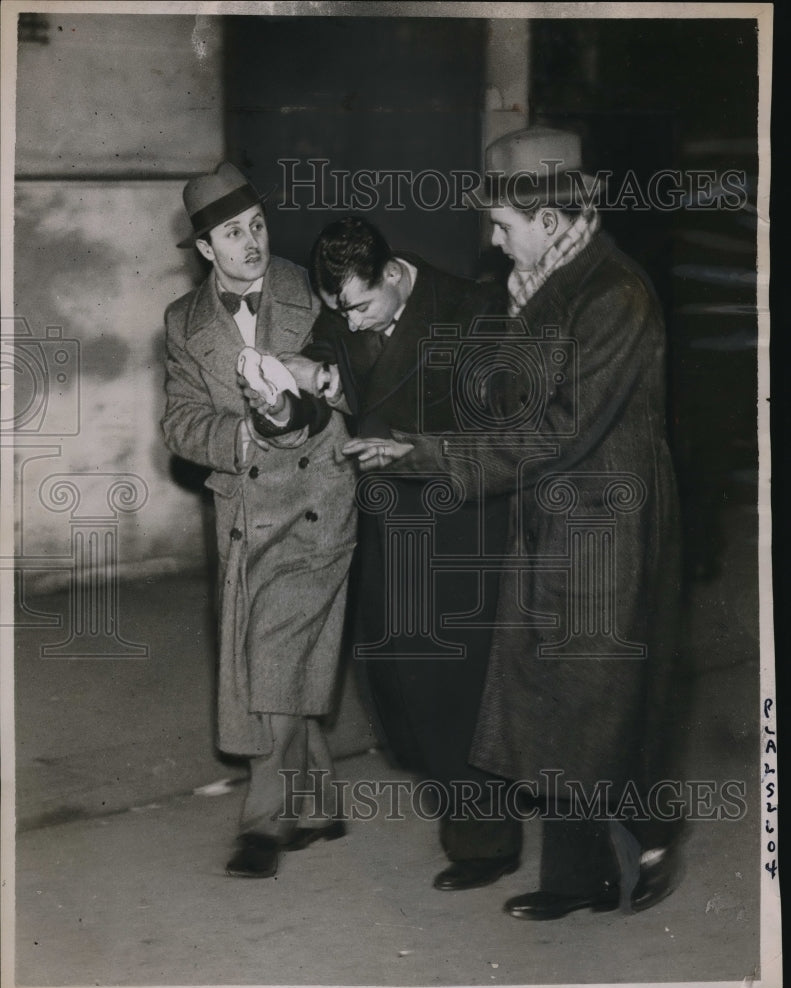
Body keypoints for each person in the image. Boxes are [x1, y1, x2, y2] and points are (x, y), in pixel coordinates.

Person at [348, 126, 685, 920]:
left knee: (596, 696)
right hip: (554, 513)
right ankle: (577, 880)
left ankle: (649, 841)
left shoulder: (614, 296)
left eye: (502, 224)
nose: (493, 241)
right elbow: (511, 409)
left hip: (608, 521)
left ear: (548, 214)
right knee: (553, 692)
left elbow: (556, 429)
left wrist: (423, 454)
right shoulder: (537, 284)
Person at [283, 216, 523, 890]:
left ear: (393, 274)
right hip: (386, 526)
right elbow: (331, 368)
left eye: (360, 306)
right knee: (398, 681)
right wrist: (302, 382)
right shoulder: (343, 314)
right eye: (339, 310)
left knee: (455, 689)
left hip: (458, 528)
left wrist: (411, 448)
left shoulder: (472, 312)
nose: (351, 323)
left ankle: (484, 842)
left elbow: (497, 435)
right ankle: (479, 802)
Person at [161, 163, 357, 879]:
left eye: (257, 226)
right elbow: (180, 423)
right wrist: (240, 435)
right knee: (274, 656)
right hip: (244, 506)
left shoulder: (309, 289)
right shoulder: (183, 325)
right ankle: (319, 800)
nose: (250, 243)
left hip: (317, 498)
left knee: (270, 651)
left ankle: (264, 822)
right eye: (232, 234)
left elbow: (355, 376)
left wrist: (312, 391)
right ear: (205, 248)